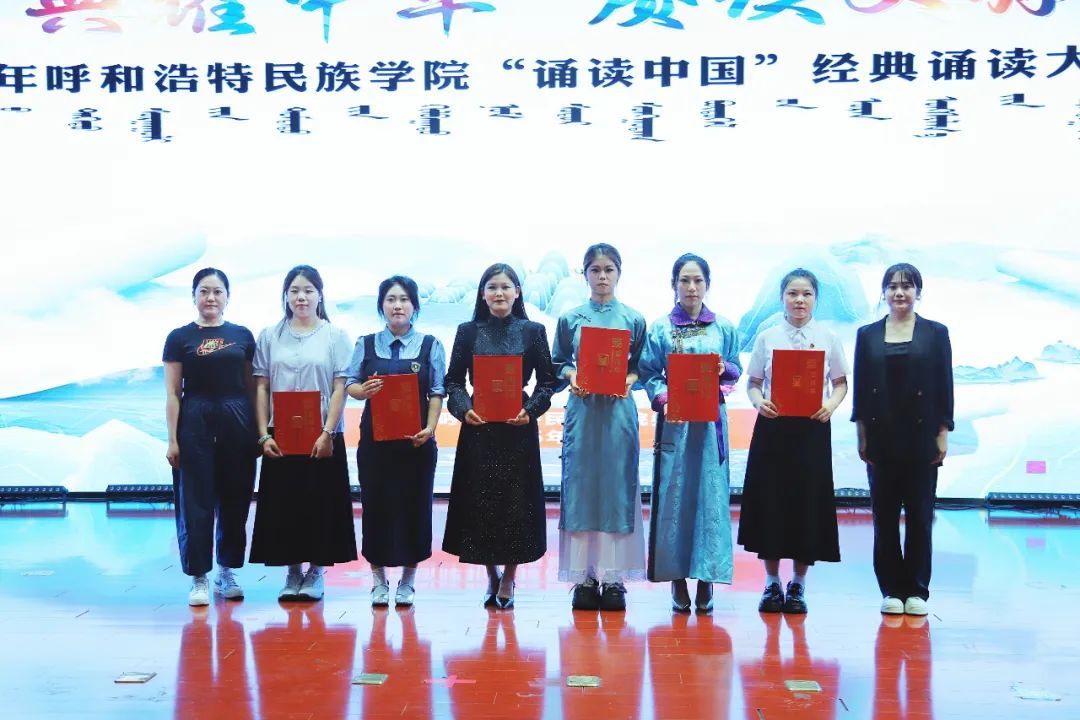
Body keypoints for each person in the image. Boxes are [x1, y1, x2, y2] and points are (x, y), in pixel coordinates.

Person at [442, 262, 558, 609]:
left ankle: (509, 576)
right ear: (482, 294)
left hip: (517, 428)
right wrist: (463, 409)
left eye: (506, 287)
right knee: (480, 505)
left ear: (517, 292)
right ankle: (491, 575)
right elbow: (453, 382)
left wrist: (530, 410)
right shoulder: (467, 332)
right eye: (492, 287)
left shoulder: (533, 331)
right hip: (479, 428)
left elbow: (547, 382)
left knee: (515, 506)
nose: (499, 293)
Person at [739, 268, 848, 615]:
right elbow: (753, 383)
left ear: (816, 298)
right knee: (770, 504)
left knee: (807, 506)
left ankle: (798, 584)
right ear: (782, 298)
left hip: (812, 430)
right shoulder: (767, 337)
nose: (799, 300)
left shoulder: (829, 337)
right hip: (773, 429)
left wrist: (830, 405)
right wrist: (759, 402)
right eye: (792, 293)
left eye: (806, 294)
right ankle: (772, 582)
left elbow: (841, 383)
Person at [638, 253, 742, 613]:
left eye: (698, 280)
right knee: (675, 497)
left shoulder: (724, 327)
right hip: (676, 425)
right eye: (685, 280)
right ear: (674, 284)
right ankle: (677, 577)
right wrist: (663, 398)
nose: (692, 287)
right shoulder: (660, 329)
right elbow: (649, 373)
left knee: (709, 497)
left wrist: (723, 368)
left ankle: (707, 576)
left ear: (707, 284)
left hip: (710, 426)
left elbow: (735, 368)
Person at [249, 265, 357, 601]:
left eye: (308, 290)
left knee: (321, 504)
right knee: (285, 504)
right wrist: (263, 434)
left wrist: (328, 432)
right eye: (294, 290)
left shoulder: (335, 336)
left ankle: (316, 572)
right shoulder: (270, 335)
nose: (301, 297)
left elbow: (340, 387)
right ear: (285, 296)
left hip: (322, 434)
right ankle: (292, 571)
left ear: (320, 295)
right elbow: (262, 386)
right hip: (280, 434)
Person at [852, 263, 953, 617]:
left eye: (907, 286)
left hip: (921, 436)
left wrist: (943, 432)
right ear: (883, 292)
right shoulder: (867, 335)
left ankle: (917, 591)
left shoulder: (935, 333)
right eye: (892, 286)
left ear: (917, 292)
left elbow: (944, 385)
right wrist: (861, 434)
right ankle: (892, 589)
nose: (899, 292)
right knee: (884, 517)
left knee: (921, 517)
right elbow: (861, 388)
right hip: (881, 437)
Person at [551, 244, 647, 612]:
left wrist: (629, 380)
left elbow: (643, 367)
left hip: (618, 412)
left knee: (616, 489)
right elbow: (558, 362)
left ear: (619, 273)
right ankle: (584, 578)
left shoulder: (633, 319)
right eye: (595, 270)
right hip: (584, 410)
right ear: (585, 274)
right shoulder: (570, 319)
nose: (602, 276)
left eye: (609, 269)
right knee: (582, 489)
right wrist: (571, 375)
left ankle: (614, 578)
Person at [346, 275, 447, 608]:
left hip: (416, 444)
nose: (398, 305)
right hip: (376, 444)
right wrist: (362, 391)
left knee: (414, 508)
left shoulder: (431, 344)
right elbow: (350, 384)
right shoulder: (365, 343)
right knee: (375, 507)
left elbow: (437, 391)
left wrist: (430, 428)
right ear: (381, 306)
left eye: (404, 299)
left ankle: (408, 581)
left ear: (414, 306)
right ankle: (378, 581)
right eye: (391, 299)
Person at [163, 268, 258, 606]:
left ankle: (226, 572)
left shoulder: (242, 336)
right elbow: (173, 393)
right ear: (194, 296)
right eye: (204, 291)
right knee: (196, 502)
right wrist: (173, 439)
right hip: (195, 421)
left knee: (235, 500)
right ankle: (199, 576)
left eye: (217, 291)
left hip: (237, 420)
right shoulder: (179, 338)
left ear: (227, 296)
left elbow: (253, 388)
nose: (211, 298)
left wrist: (259, 431)